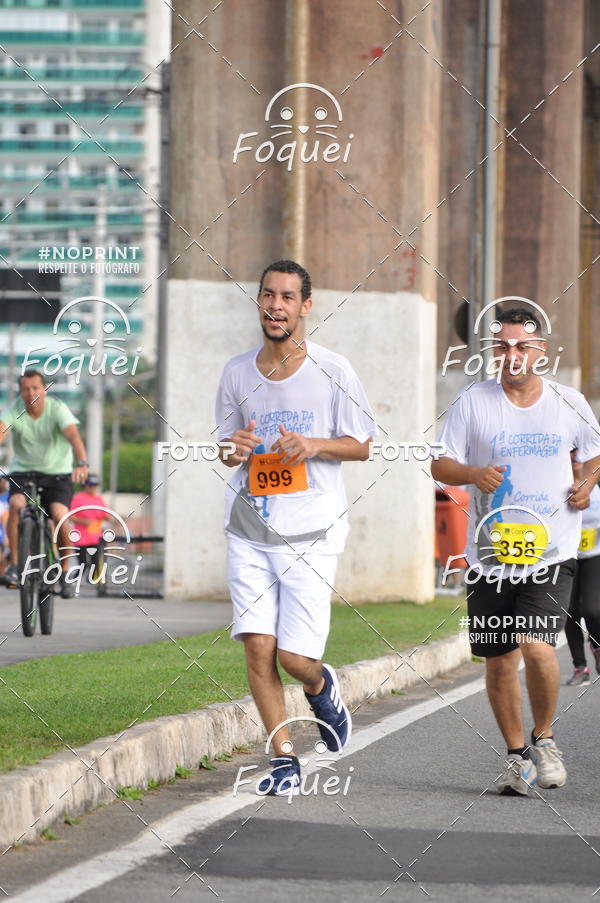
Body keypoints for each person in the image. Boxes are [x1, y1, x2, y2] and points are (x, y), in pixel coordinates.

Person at [216, 259, 375, 796]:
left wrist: (312, 445)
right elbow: (224, 448)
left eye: (287, 297)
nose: (276, 305)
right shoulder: (236, 372)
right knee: (258, 648)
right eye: (268, 295)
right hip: (249, 528)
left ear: (305, 306)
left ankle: (319, 683)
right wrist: (231, 449)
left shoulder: (333, 370)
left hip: (312, 532)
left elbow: (363, 444)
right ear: (258, 301)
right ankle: (284, 758)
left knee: (293, 658)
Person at [432, 307, 600, 796]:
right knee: (499, 660)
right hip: (489, 555)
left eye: (522, 346)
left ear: (540, 352)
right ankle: (515, 756)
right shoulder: (473, 402)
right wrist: (472, 475)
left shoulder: (568, 402)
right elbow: (441, 463)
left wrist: (585, 484)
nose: (512, 356)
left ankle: (544, 738)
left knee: (535, 645)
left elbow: (594, 451)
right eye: (502, 347)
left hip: (550, 552)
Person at [0, 370, 89, 598]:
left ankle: (67, 571)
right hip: (24, 471)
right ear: (21, 391)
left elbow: (74, 436)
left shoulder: (57, 408)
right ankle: (15, 565)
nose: (31, 393)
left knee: (59, 515)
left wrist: (81, 462)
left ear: (44, 390)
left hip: (57, 473)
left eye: (35, 388)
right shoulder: (16, 408)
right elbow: (2, 430)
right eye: (26, 389)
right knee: (16, 504)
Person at [564, 450, 600, 684]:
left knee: (592, 610)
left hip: (596, 555)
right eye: (571, 452)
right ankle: (580, 668)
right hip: (567, 557)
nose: (576, 456)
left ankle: (597, 645)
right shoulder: (557, 484)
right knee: (569, 613)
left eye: (580, 452)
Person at [69, 474, 110, 579]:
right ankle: (72, 580)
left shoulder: (99, 499)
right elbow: (71, 516)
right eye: (90, 486)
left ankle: (91, 580)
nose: (93, 488)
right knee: (83, 565)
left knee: (95, 564)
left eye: (95, 486)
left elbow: (105, 515)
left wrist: (111, 518)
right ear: (85, 486)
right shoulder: (78, 498)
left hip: (95, 538)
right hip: (81, 539)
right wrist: (83, 521)